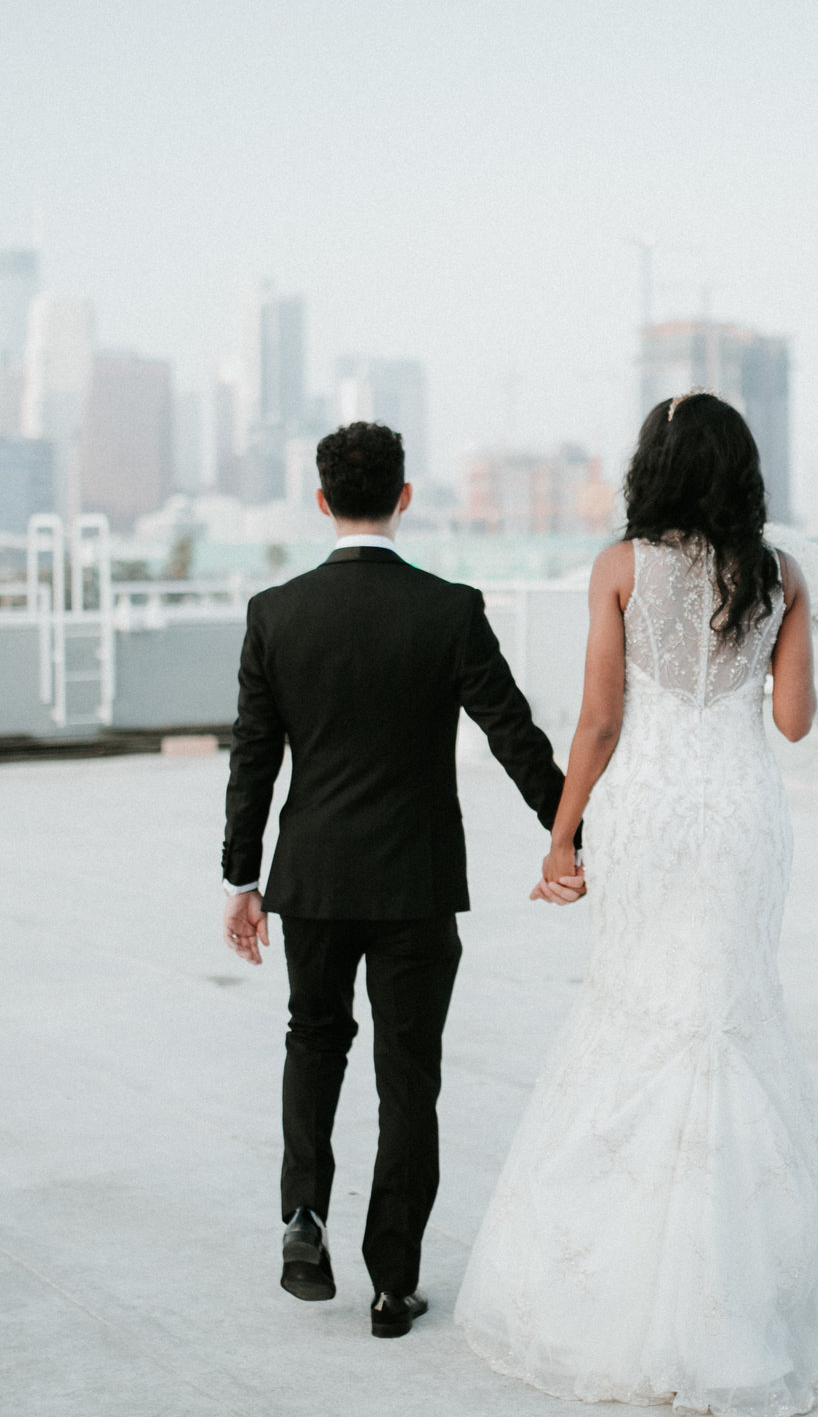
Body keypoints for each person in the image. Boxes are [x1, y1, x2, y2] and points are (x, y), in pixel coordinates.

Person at [455, 393, 818, 1417]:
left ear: (654, 467)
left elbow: (598, 719)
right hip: (737, 811)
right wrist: (793, 636)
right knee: (725, 1017)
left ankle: (618, 1288)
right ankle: (736, 1298)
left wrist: (562, 834)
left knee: (636, 1007)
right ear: (741, 471)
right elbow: (791, 722)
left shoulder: (618, 567)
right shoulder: (780, 575)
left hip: (646, 809)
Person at [220, 421, 574, 1339]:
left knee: (315, 1038)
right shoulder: (448, 609)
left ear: (323, 500)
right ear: (405, 497)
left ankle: (303, 1214)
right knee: (407, 1076)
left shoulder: (275, 612)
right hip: (416, 881)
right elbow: (512, 730)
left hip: (315, 879)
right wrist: (568, 831)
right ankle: (392, 1282)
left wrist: (242, 878)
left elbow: (253, 758)